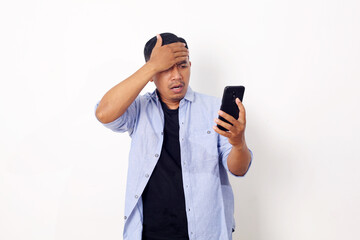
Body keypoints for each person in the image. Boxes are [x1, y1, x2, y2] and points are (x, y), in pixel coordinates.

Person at [94, 32, 253, 240]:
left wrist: (238, 143)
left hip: (206, 232)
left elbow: (239, 170)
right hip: (150, 233)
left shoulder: (214, 110)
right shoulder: (139, 110)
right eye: (166, 68)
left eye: (183, 65)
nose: (177, 75)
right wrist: (151, 66)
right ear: (152, 74)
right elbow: (104, 114)